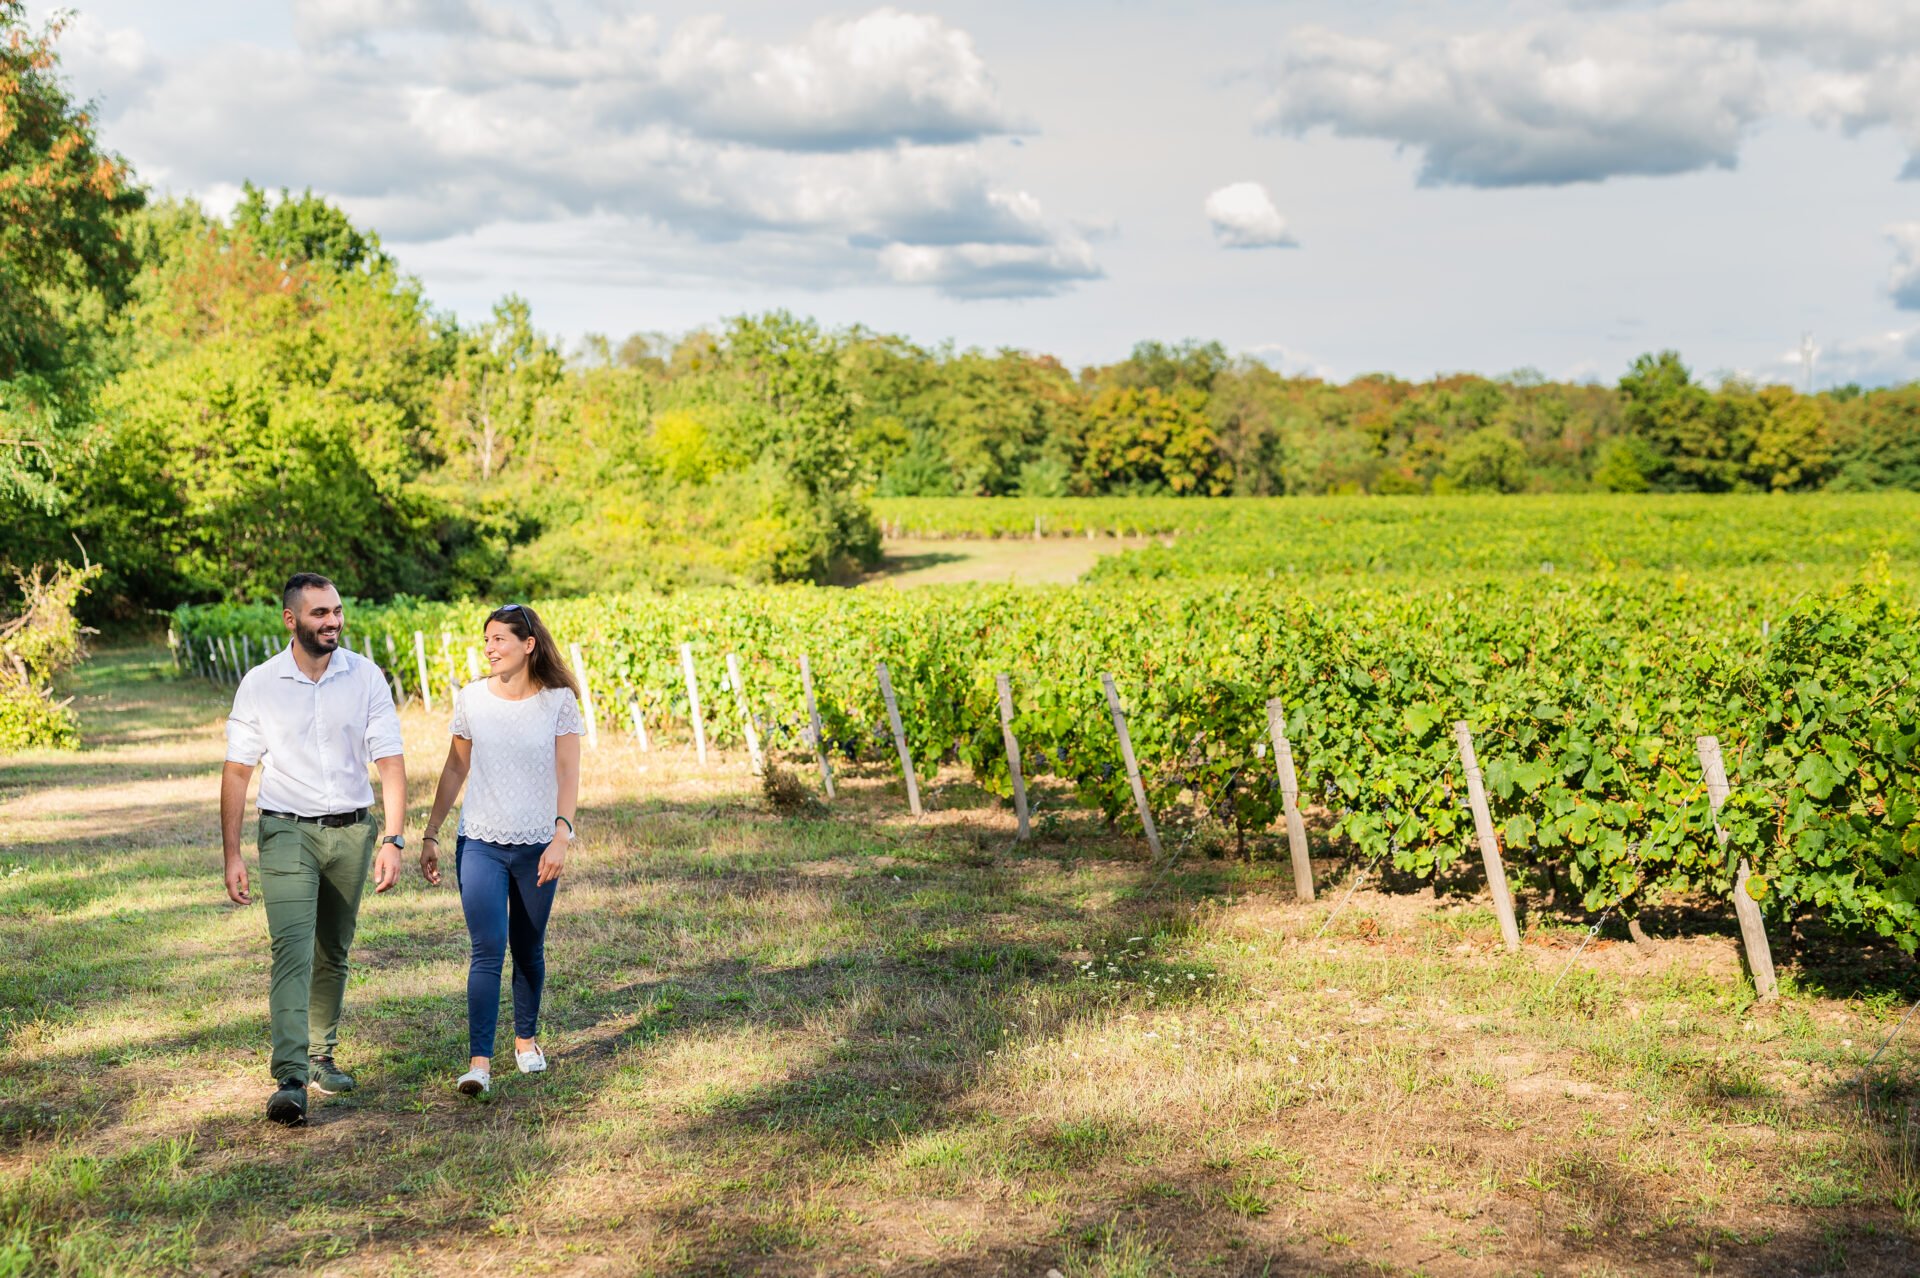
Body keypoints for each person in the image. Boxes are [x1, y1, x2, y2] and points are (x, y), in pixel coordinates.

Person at [222, 572, 407, 1127]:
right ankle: (291, 1077)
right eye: (320, 613)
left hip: (353, 830)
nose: (332, 621)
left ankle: (322, 1054)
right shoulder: (260, 683)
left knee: (334, 947)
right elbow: (237, 772)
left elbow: (390, 760)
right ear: (291, 620)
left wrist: (394, 837)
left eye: (337, 611)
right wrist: (232, 854)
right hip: (286, 830)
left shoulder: (365, 675)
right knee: (292, 948)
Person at [420, 603, 581, 1096]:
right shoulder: (471, 698)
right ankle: (479, 1065)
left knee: (528, 948)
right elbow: (454, 769)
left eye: (499, 640)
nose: (489, 648)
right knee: (487, 949)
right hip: (481, 842)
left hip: (538, 846)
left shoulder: (559, 701)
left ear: (527, 645)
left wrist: (561, 834)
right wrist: (431, 832)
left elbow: (569, 772)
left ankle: (526, 1041)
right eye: (486, 640)